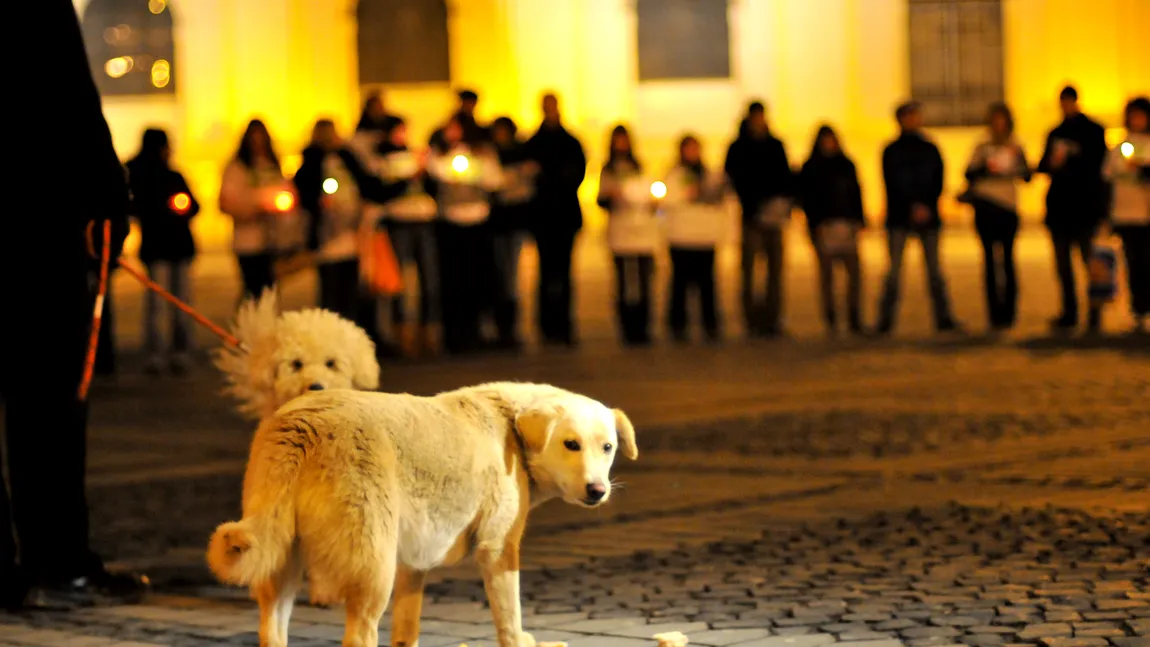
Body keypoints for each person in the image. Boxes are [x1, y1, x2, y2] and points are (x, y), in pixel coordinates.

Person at [1, 0, 148, 610]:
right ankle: (59, 558)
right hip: (37, 221)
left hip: (39, 219)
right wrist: (108, 197)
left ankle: (44, 562)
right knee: (50, 407)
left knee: (51, 404)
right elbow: (69, 91)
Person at [294, 119, 395, 324]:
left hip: (352, 234)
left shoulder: (347, 158)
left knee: (352, 290)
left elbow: (369, 186)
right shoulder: (312, 161)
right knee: (331, 291)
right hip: (327, 236)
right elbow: (304, 192)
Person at [876, 101, 959, 335]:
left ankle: (943, 317)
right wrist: (914, 205)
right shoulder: (891, 150)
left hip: (927, 216)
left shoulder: (929, 148)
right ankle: (885, 320)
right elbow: (892, 182)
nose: (913, 120)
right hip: (899, 218)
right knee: (893, 273)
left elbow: (938, 179)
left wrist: (926, 205)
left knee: (935, 271)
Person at [126, 128, 202, 373]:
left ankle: (165, 353)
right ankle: (172, 352)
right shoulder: (160, 177)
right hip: (169, 246)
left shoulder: (141, 177)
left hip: (166, 247)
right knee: (173, 302)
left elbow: (193, 205)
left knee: (163, 303)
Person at [427, 116, 502, 354]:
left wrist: (475, 170)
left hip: (477, 223)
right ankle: (454, 335)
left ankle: (478, 331)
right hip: (450, 224)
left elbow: (494, 180)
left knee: (478, 281)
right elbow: (434, 172)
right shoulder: (437, 155)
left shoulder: (483, 154)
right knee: (452, 282)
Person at [1037, 86, 1110, 333]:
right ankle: (1070, 312)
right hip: (1060, 208)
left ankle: (1094, 313)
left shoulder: (1093, 131)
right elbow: (1043, 166)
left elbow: (1100, 169)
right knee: (1063, 266)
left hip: (1084, 208)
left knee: (1091, 264)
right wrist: (1052, 163)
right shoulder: (1055, 133)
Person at [724, 101, 793, 338]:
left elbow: (785, 177)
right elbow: (733, 177)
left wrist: (783, 203)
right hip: (751, 216)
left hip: (774, 216)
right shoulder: (738, 147)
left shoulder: (775, 145)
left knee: (775, 270)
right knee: (749, 271)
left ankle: (772, 318)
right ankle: (751, 319)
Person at [962, 103, 1032, 331]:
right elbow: (969, 172)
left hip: (1008, 206)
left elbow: (1027, 175)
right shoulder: (982, 146)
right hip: (986, 205)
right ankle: (994, 312)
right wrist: (985, 168)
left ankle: (1010, 311)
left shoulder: (1015, 146)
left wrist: (1018, 165)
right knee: (990, 261)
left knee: (1009, 260)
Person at [525, 93, 587, 347]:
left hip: (564, 217)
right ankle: (547, 326)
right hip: (544, 217)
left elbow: (577, 174)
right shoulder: (534, 142)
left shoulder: (570, 142)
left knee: (563, 272)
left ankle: (563, 324)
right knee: (546, 272)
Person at [378, 117, 442, 357]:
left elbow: (434, 188)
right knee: (400, 282)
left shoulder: (417, 156)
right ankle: (402, 334)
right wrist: (408, 178)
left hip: (424, 221)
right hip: (400, 222)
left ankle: (429, 332)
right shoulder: (385, 159)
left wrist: (425, 173)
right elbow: (383, 191)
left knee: (430, 278)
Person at [797, 125, 867, 336]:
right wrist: (815, 223)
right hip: (823, 227)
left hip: (846, 225)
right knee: (827, 276)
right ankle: (831, 318)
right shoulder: (811, 167)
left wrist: (859, 219)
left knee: (854, 274)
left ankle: (854, 316)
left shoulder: (846, 164)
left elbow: (856, 191)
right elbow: (806, 198)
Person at [597, 125, 660, 346]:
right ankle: (627, 326)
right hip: (621, 232)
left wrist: (654, 204)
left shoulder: (640, 167)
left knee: (645, 280)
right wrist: (612, 197)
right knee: (624, 281)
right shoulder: (608, 170)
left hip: (643, 232)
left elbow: (654, 198)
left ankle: (644, 325)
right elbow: (601, 200)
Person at [219, 119, 293, 301]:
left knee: (270, 292)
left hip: (273, 239)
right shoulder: (237, 168)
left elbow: (286, 194)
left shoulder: (272, 166)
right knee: (253, 292)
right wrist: (254, 208)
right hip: (248, 241)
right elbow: (226, 202)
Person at [664, 135, 727, 343]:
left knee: (707, 284)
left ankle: (710, 324)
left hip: (705, 237)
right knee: (680, 284)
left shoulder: (709, 174)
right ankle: (678, 324)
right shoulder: (674, 174)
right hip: (681, 237)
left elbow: (719, 198)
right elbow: (669, 199)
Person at [489, 116, 538, 350]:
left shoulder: (521, 154)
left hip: (514, 224)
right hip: (496, 226)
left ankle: (511, 328)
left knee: (512, 279)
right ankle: (500, 328)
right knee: (499, 277)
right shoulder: (489, 155)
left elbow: (525, 188)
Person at [1104, 97, 1150, 334]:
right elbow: (1107, 174)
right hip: (1126, 213)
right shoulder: (1120, 147)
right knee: (1133, 262)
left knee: (1147, 261)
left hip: (1146, 213)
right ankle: (1139, 309)